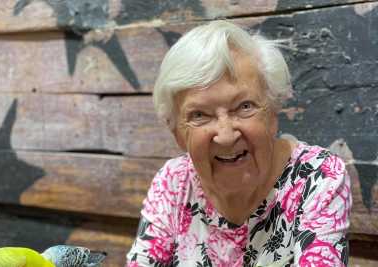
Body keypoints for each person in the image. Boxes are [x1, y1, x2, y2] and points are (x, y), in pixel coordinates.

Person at [126, 20, 352, 267]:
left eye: (244, 107)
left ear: (273, 112)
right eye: (200, 115)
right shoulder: (174, 182)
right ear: (178, 134)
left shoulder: (317, 177)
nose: (225, 135)